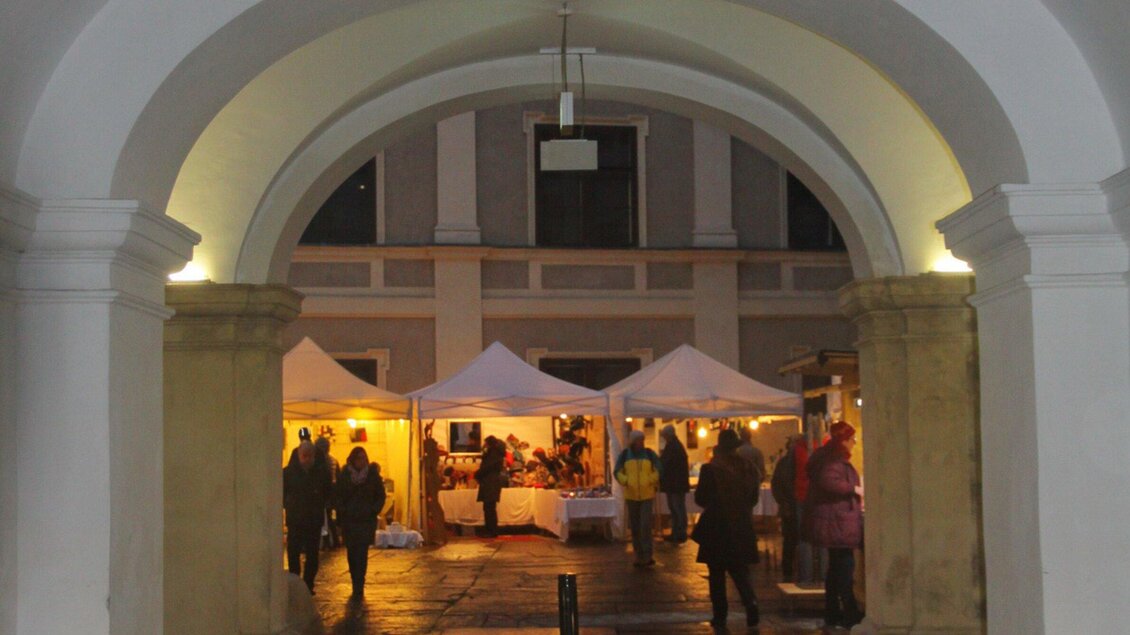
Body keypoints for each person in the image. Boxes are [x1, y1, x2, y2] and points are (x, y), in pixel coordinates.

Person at [692, 429, 761, 628]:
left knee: (716, 573)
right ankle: (751, 602)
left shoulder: (710, 469)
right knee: (740, 570)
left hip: (717, 525)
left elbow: (701, 498)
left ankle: (720, 615)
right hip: (741, 524)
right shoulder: (749, 468)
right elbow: (754, 499)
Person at [803, 421, 864, 629]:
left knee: (836, 568)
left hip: (833, 521)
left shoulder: (825, 456)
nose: (854, 443)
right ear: (844, 440)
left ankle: (833, 612)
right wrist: (854, 489)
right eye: (852, 439)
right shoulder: (833, 460)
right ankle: (849, 612)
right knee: (845, 568)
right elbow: (829, 481)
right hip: (838, 521)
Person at [335, 446, 385, 598]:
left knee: (362, 553)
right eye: (358, 458)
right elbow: (338, 495)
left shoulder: (372, 476)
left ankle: (359, 583)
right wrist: (343, 510)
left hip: (365, 520)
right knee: (351, 552)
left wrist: (373, 510)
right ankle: (354, 579)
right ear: (353, 459)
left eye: (363, 458)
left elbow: (380, 495)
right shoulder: (345, 475)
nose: (361, 461)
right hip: (349, 520)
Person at [283, 440, 331, 593]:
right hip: (296, 518)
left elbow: (327, 492)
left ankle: (308, 583)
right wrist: (289, 504)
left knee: (312, 554)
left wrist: (321, 503)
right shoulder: (289, 473)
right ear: (299, 455)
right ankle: (296, 582)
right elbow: (283, 493)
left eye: (310, 456)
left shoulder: (321, 473)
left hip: (313, 519)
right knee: (293, 552)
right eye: (305, 455)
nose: (307, 459)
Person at [614, 429, 661, 566]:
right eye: (639, 440)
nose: (641, 442)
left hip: (647, 495)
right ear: (633, 442)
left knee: (645, 525)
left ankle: (647, 554)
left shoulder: (650, 454)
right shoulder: (624, 455)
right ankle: (639, 554)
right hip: (632, 496)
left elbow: (659, 468)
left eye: (642, 439)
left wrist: (651, 479)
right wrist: (626, 481)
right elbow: (617, 471)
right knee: (635, 526)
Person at [770, 436, 800, 581]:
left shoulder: (783, 463)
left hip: (788, 506)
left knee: (789, 540)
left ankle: (788, 569)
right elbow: (777, 485)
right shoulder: (789, 463)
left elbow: (776, 485)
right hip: (793, 506)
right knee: (792, 539)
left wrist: (782, 502)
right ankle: (792, 569)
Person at [658, 424, 690, 543]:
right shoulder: (675, 446)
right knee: (676, 508)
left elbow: (666, 463)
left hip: (674, 484)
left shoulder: (673, 447)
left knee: (677, 508)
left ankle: (680, 532)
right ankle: (677, 532)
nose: (664, 437)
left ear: (668, 435)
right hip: (676, 483)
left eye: (664, 435)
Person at [474, 435, 506, 538]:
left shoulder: (493, 454)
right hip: (491, 482)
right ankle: (491, 529)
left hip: (489, 482)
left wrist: (477, 474)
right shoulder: (497, 454)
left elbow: (487, 467)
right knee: (489, 507)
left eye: (485, 443)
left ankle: (491, 530)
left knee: (489, 507)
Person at [314, 436, 341, 549]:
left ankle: (326, 541)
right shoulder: (333, 460)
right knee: (328, 518)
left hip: (320, 494)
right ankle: (333, 541)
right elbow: (338, 478)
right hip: (331, 493)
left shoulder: (315, 461)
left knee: (321, 519)